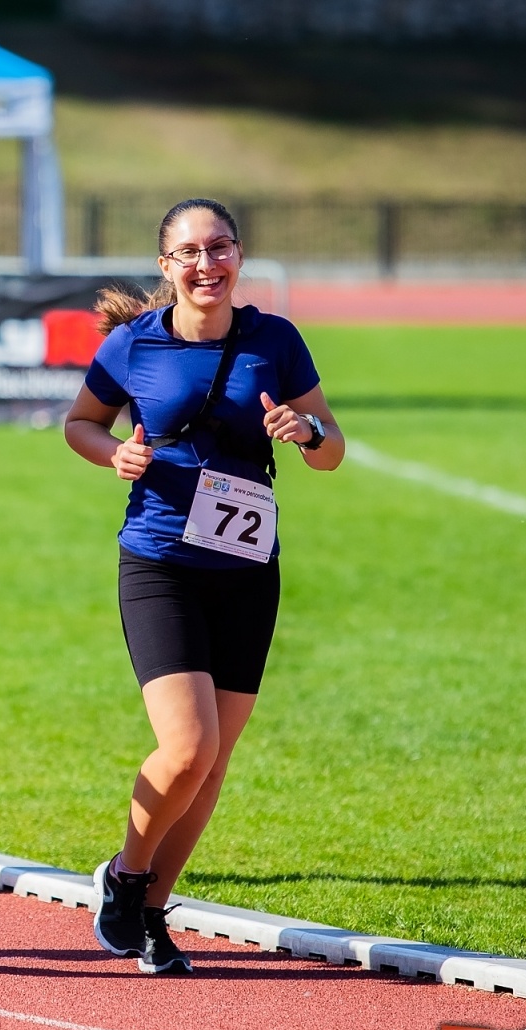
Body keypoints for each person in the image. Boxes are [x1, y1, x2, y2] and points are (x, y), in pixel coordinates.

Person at [62, 198, 344, 975]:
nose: (205, 264)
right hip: (160, 560)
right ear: (167, 266)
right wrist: (112, 453)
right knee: (188, 746)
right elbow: (80, 423)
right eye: (188, 252)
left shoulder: (275, 340)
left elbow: (331, 449)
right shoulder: (134, 345)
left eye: (218, 248)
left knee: (214, 763)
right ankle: (124, 875)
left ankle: (152, 913)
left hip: (248, 567)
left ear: (239, 256)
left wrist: (307, 432)